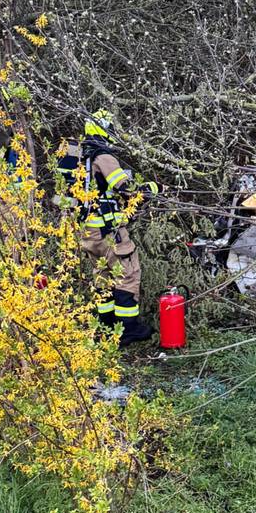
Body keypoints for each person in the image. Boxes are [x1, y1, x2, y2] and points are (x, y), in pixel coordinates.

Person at [56, 109, 157, 346]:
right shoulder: (103, 157)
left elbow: (64, 197)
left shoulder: (73, 156)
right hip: (109, 231)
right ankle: (127, 330)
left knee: (102, 277)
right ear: (106, 129)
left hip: (86, 232)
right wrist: (152, 188)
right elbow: (127, 189)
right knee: (127, 275)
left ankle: (105, 327)